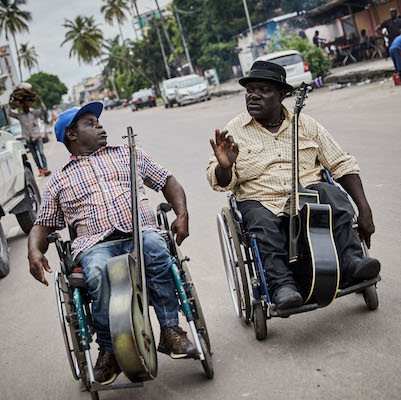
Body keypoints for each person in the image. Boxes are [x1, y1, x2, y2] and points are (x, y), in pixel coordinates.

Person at [28, 101, 197, 385]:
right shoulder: (60, 179)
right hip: (95, 245)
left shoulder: (128, 155)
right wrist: (34, 250)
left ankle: (170, 331)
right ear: (71, 134)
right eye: (91, 123)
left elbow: (167, 180)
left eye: (99, 121)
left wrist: (182, 213)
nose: (100, 126)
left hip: (139, 231)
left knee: (156, 249)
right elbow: (42, 225)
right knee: (94, 272)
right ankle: (109, 349)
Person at [206, 61, 381, 310]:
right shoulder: (233, 131)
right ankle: (281, 286)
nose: (253, 96)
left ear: (282, 95)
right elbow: (220, 183)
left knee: (331, 192)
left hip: (309, 193)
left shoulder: (306, 125)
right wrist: (224, 166)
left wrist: (365, 210)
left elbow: (342, 164)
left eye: (263, 90)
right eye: (249, 90)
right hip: (262, 200)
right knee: (260, 222)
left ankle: (353, 261)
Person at [7, 95, 51, 177]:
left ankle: (45, 169)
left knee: (41, 153)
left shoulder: (34, 113)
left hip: (37, 137)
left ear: (29, 106)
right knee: (34, 155)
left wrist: (40, 101)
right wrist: (9, 104)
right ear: (22, 108)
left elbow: (43, 110)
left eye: (27, 106)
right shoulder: (20, 116)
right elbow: (9, 113)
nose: (26, 108)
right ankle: (40, 169)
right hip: (28, 139)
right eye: (24, 106)